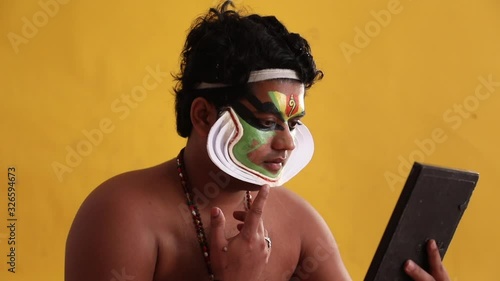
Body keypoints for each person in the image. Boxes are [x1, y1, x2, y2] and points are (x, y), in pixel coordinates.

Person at [65, 2, 451, 280]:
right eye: (268, 121)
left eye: (294, 123)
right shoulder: (121, 216)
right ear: (203, 115)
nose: (287, 142)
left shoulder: (300, 224)